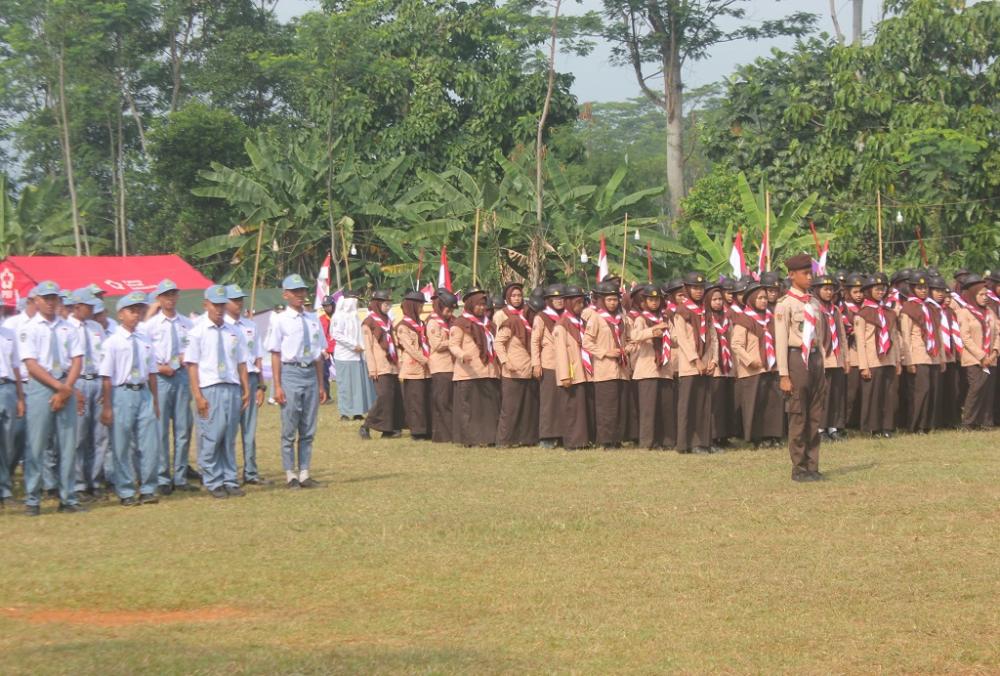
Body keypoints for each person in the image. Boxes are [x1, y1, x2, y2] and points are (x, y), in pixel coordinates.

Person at [20, 280, 85, 515]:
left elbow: (78, 359)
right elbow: (31, 364)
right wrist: (60, 388)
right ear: (36, 301)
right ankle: (32, 499)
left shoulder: (68, 328)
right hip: (41, 387)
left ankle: (68, 498)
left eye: (53, 298)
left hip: (66, 384)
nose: (49, 302)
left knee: (68, 445)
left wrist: (66, 388)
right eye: (45, 298)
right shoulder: (30, 328)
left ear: (59, 300)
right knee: (36, 445)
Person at [185, 285, 250, 499]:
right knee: (212, 435)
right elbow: (192, 365)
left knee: (229, 435)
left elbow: (241, 362)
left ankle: (229, 478)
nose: (219, 309)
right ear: (206, 305)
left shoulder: (234, 331)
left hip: (231, 386)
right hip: (210, 387)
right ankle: (213, 480)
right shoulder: (197, 331)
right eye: (215, 305)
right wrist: (198, 395)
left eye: (222, 304)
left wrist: (246, 388)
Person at [99, 291, 160, 506]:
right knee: (122, 444)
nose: (137, 314)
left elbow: (152, 372)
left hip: (143, 391)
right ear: (121, 314)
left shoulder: (145, 340)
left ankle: (148, 487)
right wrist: (107, 406)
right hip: (122, 392)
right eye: (132, 311)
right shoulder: (112, 342)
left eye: (140, 310)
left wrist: (155, 400)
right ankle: (125, 490)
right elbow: (106, 377)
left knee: (149, 442)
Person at [267, 274, 327, 488]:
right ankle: (290, 473)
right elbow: (275, 353)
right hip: (290, 373)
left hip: (310, 372)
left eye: (302, 290)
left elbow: (319, 353)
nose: (300, 295)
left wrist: (321, 384)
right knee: (289, 427)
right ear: (286, 294)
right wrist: (277, 386)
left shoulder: (313, 319)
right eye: (295, 291)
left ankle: (304, 472)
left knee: (308, 427)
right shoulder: (280, 320)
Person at [775, 255, 828, 482]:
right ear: (792, 275)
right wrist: (784, 374)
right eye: (804, 273)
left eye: (810, 272)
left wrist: (822, 362)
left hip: (814, 358)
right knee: (798, 414)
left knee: (815, 415)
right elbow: (780, 340)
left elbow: (821, 334)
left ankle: (812, 464)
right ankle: (799, 467)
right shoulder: (785, 305)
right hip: (796, 359)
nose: (809, 277)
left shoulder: (814, 303)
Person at [141, 278, 196, 495]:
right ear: (158, 299)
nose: (170, 299)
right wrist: (157, 367)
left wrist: (185, 357)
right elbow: (144, 355)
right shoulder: (150, 326)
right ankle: (163, 476)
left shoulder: (186, 323)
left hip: (181, 376)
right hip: (161, 378)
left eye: (173, 294)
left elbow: (192, 349)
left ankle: (180, 476)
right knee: (161, 429)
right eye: (165, 295)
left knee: (183, 428)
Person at [67, 287, 111, 499]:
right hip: (78, 383)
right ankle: (78, 484)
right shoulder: (66, 327)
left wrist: (105, 386)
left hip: (96, 382)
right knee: (79, 436)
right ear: (77, 307)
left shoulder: (96, 327)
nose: (93, 309)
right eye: (88, 306)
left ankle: (94, 481)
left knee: (99, 435)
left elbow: (104, 357)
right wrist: (72, 388)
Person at [224, 284, 269, 485]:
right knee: (229, 430)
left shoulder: (250, 326)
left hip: (251, 379)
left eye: (240, 299)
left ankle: (250, 471)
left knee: (249, 431)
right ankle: (229, 473)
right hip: (231, 381)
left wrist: (260, 386)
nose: (239, 303)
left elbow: (258, 356)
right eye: (235, 300)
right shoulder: (222, 327)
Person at [732, 282, 784, 448]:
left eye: (765, 298)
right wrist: (749, 360)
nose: (763, 301)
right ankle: (756, 438)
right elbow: (736, 344)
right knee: (755, 404)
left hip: (771, 366)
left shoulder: (771, 317)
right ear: (752, 299)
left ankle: (772, 435)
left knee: (772, 403)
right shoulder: (744, 319)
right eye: (760, 298)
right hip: (753, 369)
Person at [449, 288, 501, 446]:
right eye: (478, 305)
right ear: (470, 305)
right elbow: (453, 345)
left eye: (484, 305)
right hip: (469, 372)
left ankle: (488, 437)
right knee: (470, 409)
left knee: (488, 408)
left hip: (489, 371)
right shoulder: (460, 323)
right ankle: (470, 439)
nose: (482, 308)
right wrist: (462, 355)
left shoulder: (489, 324)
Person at [673, 272, 717, 454]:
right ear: (687, 289)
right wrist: (696, 359)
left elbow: (712, 337)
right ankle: (688, 443)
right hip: (689, 366)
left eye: (700, 288)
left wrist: (712, 360)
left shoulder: (706, 310)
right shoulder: (682, 312)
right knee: (688, 405)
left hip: (705, 364)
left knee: (704, 405)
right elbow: (682, 339)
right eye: (694, 288)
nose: (698, 291)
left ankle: (704, 441)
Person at [582, 280, 629, 449]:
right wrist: (605, 352)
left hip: (622, 369)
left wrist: (625, 349)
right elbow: (587, 342)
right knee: (606, 407)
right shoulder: (596, 319)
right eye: (609, 300)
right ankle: (606, 440)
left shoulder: (622, 319)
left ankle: (617, 439)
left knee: (620, 406)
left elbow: (629, 339)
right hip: (605, 370)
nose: (612, 303)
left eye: (615, 299)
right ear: (602, 301)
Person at [628, 284, 675, 450]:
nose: (654, 303)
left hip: (665, 368)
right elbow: (634, 336)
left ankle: (667, 441)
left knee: (665, 407)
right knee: (648, 409)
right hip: (647, 368)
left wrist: (668, 333)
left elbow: (675, 340)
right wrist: (653, 330)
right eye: (650, 299)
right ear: (644, 301)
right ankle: (648, 442)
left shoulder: (666, 318)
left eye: (656, 299)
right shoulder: (641, 319)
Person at [855, 273, 901, 438]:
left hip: (888, 359)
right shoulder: (863, 314)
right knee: (873, 396)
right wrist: (863, 366)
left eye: (883, 289)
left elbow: (894, 337)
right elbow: (860, 342)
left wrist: (897, 361)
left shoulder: (889, 312)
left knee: (889, 395)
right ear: (868, 291)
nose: (880, 292)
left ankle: (887, 427)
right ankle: (872, 428)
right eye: (877, 289)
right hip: (872, 360)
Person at [495, 282, 539, 447]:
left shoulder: (529, 313)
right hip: (513, 368)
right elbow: (498, 343)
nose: (517, 298)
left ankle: (527, 438)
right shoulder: (504, 316)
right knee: (510, 407)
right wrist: (505, 361)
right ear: (507, 297)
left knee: (528, 406)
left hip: (529, 366)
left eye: (519, 295)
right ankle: (504, 440)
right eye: (513, 295)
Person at [899, 272, 940, 434]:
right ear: (912, 288)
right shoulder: (908, 308)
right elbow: (905, 336)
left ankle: (927, 424)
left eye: (925, 287)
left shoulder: (931, 307)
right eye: (919, 287)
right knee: (920, 392)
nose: (923, 290)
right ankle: (915, 425)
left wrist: (941, 358)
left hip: (933, 354)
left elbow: (937, 333)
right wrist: (908, 360)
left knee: (931, 391)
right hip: (918, 354)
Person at [359, 290, 404, 440]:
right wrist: (372, 369)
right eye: (386, 304)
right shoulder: (368, 323)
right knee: (384, 397)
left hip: (392, 364)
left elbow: (393, 342)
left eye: (390, 304)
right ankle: (366, 425)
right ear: (377, 304)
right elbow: (368, 348)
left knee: (394, 397)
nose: (388, 306)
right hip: (379, 366)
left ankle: (388, 429)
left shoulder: (388, 321)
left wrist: (399, 361)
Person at [955, 275, 998, 429]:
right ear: (973, 295)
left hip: (991, 358)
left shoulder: (990, 312)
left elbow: (998, 333)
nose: (985, 297)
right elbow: (965, 338)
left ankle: (986, 421)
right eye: (981, 294)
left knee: (988, 390)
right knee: (976, 389)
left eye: (986, 294)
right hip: (974, 359)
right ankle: (968, 421)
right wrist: (981, 356)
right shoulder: (964, 312)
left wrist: (994, 352)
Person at [553, 286, 592, 450]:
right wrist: (564, 376)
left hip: (583, 372)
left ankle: (582, 440)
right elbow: (561, 352)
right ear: (569, 303)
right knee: (571, 410)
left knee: (581, 409)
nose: (580, 305)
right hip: (571, 373)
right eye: (577, 302)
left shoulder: (580, 322)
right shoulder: (562, 325)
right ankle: (571, 442)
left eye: (582, 302)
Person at [329, 291, 376, 421]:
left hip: (358, 356)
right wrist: (353, 345)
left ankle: (357, 411)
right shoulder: (339, 316)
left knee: (357, 386)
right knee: (345, 385)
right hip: (345, 356)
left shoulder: (355, 316)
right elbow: (336, 334)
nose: (356, 302)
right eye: (354, 299)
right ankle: (344, 412)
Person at [813, 274, 850, 441]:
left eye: (831, 289)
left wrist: (846, 358)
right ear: (816, 290)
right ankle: (820, 428)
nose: (828, 292)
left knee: (835, 393)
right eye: (825, 289)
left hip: (836, 358)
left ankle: (832, 427)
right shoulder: (813, 309)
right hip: (822, 357)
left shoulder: (835, 310)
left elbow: (842, 335)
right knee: (822, 395)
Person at [532, 284, 566, 449]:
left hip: (566, 364)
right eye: (556, 299)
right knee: (549, 402)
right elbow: (535, 342)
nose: (559, 301)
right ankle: (547, 436)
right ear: (548, 301)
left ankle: (561, 434)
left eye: (561, 298)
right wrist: (536, 364)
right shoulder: (541, 317)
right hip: (549, 363)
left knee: (563, 400)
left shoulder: (567, 317)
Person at [396, 290, 433, 440]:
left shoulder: (421, 323)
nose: (422, 307)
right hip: (413, 368)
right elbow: (410, 349)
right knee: (415, 401)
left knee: (425, 399)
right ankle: (417, 431)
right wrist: (426, 360)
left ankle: (426, 428)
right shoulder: (403, 326)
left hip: (426, 370)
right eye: (420, 304)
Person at [705, 283, 735, 449]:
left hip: (727, 364)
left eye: (719, 299)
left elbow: (730, 338)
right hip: (713, 364)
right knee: (715, 403)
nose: (717, 302)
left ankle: (724, 435)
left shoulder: (726, 318)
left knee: (725, 401)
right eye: (714, 299)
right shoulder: (706, 318)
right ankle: (714, 436)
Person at [427, 289, 459, 443]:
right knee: (442, 401)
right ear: (440, 307)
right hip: (440, 366)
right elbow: (437, 344)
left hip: (453, 366)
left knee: (450, 401)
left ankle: (446, 434)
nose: (449, 313)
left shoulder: (452, 320)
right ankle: (444, 434)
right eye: (447, 310)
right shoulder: (433, 322)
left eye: (452, 310)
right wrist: (454, 342)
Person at [0, 312, 25, 507]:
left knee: (12, 439)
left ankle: (5, 485)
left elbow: (16, 365)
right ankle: (5, 491)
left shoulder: (9, 333)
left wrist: (20, 397)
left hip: (7, 387)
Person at [930, 275, 961, 429]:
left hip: (952, 356)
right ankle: (937, 421)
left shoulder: (950, 311)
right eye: (938, 291)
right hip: (937, 355)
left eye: (944, 292)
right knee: (937, 390)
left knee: (953, 389)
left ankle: (952, 419)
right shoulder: (931, 310)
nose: (942, 295)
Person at [318, 295, 336, 402]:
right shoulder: (321, 319)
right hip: (325, 349)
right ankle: (326, 396)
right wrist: (323, 350)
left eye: (328, 305)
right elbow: (320, 335)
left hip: (338, 348)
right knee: (324, 373)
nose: (326, 308)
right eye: (324, 306)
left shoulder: (338, 316)